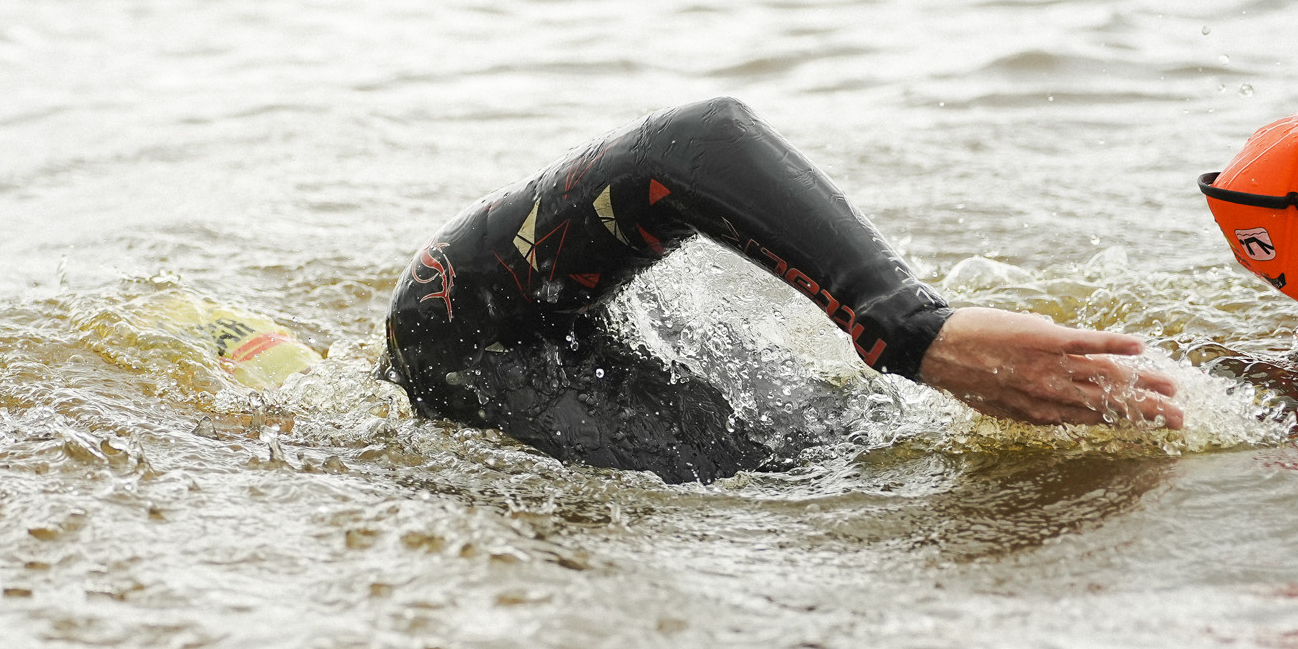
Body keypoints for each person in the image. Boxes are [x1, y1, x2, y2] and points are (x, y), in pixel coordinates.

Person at [379, 97, 1184, 483]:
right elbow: (689, 144)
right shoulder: (452, 340)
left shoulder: (468, 339)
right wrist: (915, 331)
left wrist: (912, 329)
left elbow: (690, 145)